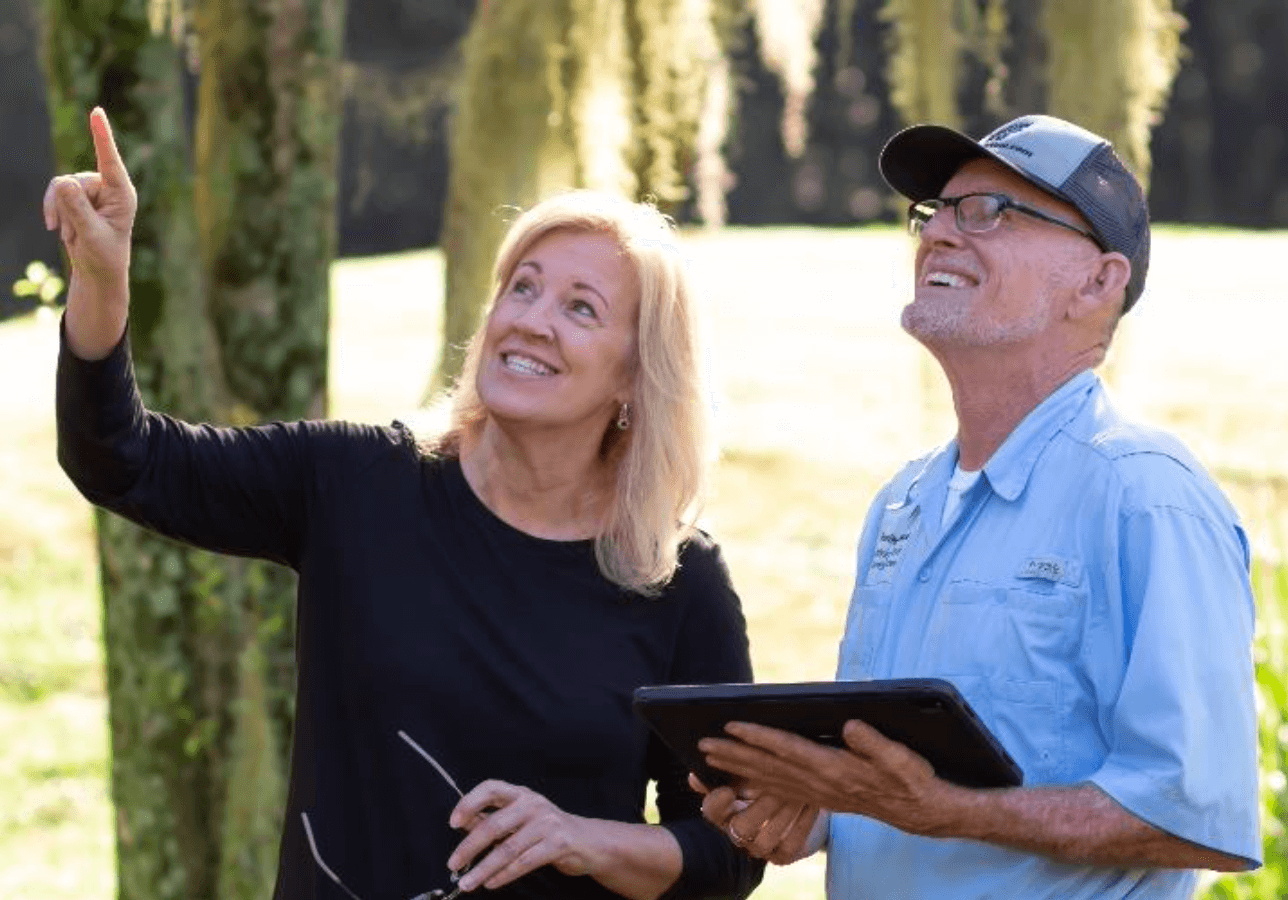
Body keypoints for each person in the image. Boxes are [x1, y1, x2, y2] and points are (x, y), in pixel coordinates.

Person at [47, 107, 763, 900]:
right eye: (521, 289)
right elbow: (120, 459)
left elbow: (731, 849)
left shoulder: (675, 579)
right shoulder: (354, 482)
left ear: (635, 378)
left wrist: (585, 839)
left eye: (580, 307)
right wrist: (102, 282)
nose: (531, 320)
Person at [693, 113, 1262, 899]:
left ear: (1099, 282)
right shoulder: (902, 504)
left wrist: (950, 813)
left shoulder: (1147, 497)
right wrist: (818, 809)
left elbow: (1200, 816)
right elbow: (906, 786)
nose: (940, 237)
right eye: (934, 215)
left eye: (993, 211)